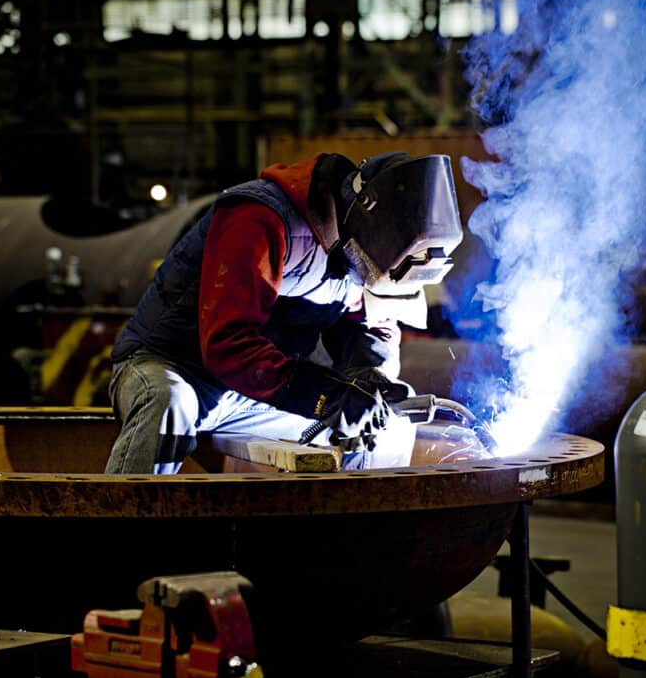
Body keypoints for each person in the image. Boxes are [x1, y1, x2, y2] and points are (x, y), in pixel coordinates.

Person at [105, 151, 462, 473]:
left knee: (386, 429)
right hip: (172, 368)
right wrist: (329, 397)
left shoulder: (364, 245)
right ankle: (126, 540)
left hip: (254, 396)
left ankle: (355, 542)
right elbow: (228, 345)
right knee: (169, 402)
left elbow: (371, 327)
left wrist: (371, 385)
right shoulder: (259, 218)